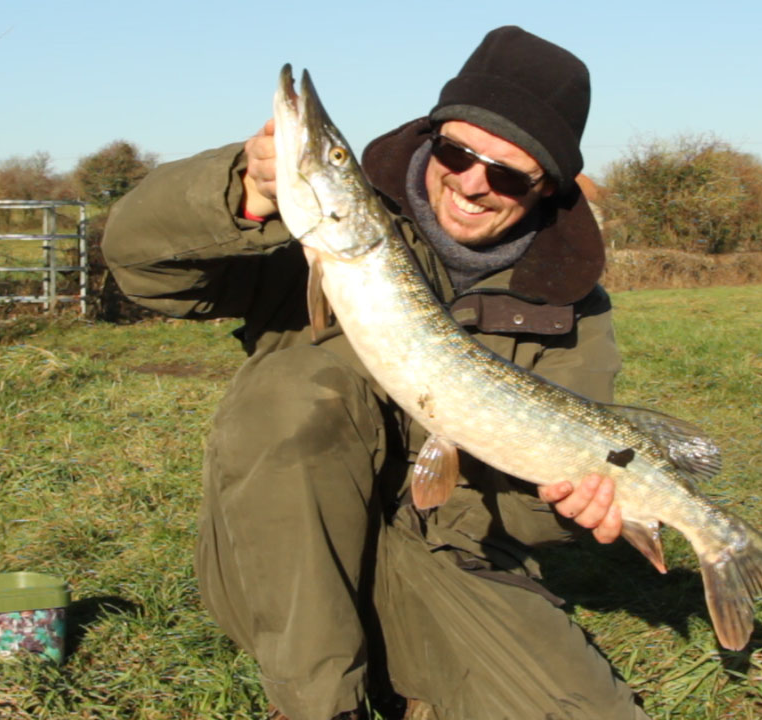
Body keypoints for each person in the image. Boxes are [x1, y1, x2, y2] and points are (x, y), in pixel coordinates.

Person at [103, 26, 648, 720]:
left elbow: (526, 520)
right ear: (433, 137)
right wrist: (243, 193)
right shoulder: (317, 238)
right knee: (295, 392)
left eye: (509, 174)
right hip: (291, 541)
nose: (474, 184)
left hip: (452, 553)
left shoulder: (570, 304)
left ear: (545, 188)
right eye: (459, 152)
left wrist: (564, 506)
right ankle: (319, 704)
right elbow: (142, 269)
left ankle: (405, 670)